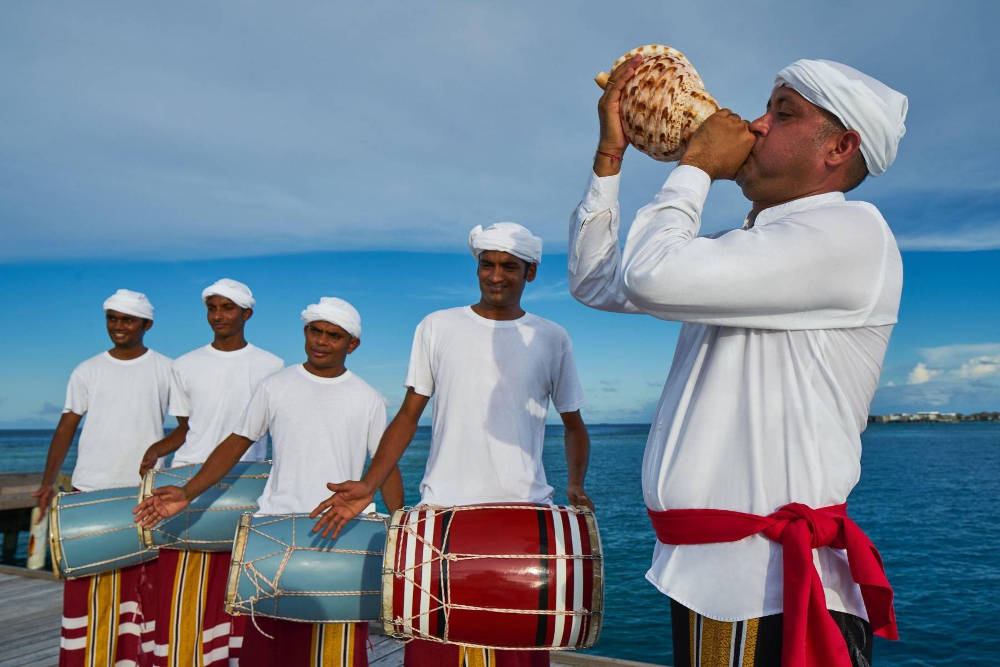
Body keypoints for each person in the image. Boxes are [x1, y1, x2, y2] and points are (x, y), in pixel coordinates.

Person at [567, 56, 907, 667]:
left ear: (840, 147)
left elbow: (651, 276)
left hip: (766, 586)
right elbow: (597, 281)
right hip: (724, 581)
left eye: (782, 113)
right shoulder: (750, 250)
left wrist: (696, 166)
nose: (754, 124)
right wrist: (610, 157)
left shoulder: (851, 232)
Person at [312, 223, 592, 667]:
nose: (495, 276)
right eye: (487, 264)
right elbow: (409, 414)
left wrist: (575, 483)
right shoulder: (437, 326)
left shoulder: (551, 337)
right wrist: (369, 484)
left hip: (523, 515)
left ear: (531, 272)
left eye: (509, 266)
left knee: (517, 654)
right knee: (432, 652)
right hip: (442, 512)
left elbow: (573, 423)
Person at [134, 296, 403, 667]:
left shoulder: (368, 398)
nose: (321, 341)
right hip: (275, 530)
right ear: (305, 332)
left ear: (352, 344)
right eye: (315, 331)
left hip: (341, 531)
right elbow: (236, 443)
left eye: (334, 335)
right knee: (268, 648)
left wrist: (402, 529)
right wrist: (187, 491)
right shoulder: (275, 385)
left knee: (336, 649)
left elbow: (386, 465)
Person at [138, 278, 283, 666]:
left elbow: (278, 431)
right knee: (182, 587)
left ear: (246, 314)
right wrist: (158, 449)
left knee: (237, 589)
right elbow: (186, 429)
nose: (218, 315)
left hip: (245, 486)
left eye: (227, 308)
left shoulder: (272, 366)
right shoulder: (184, 364)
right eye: (212, 308)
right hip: (188, 482)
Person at [34, 288, 172, 667]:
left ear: (146, 324)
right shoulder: (88, 369)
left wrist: (162, 451)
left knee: (143, 591)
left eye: (127, 319)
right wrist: (48, 482)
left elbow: (188, 426)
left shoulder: (167, 369)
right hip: (89, 492)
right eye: (112, 318)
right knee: (85, 590)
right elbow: (66, 427)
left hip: (143, 494)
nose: (118, 326)